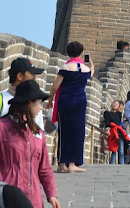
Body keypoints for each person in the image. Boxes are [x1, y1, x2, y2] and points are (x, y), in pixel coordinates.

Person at [0, 80, 60, 208]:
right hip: (3, 197)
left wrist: (51, 194)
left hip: (33, 198)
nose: (41, 107)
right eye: (39, 103)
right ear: (29, 102)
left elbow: (45, 168)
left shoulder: (38, 133)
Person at [0, 57, 46, 173]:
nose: (35, 78)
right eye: (31, 74)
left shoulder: (35, 103)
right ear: (19, 76)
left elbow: (38, 135)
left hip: (26, 167)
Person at [47, 41, 93, 173]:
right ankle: (72, 163)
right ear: (81, 53)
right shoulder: (86, 69)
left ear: (68, 53)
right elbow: (91, 73)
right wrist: (91, 64)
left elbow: (55, 87)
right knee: (77, 132)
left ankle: (62, 163)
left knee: (64, 131)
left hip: (65, 101)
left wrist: (50, 99)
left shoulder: (65, 68)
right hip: (80, 102)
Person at [104, 100, 128, 164]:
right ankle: (112, 164)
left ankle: (121, 165)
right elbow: (107, 122)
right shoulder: (107, 113)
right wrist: (108, 129)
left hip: (119, 132)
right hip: (112, 132)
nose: (114, 105)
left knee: (121, 151)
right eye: (113, 103)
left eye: (117, 104)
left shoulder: (119, 114)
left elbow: (117, 122)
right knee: (114, 150)